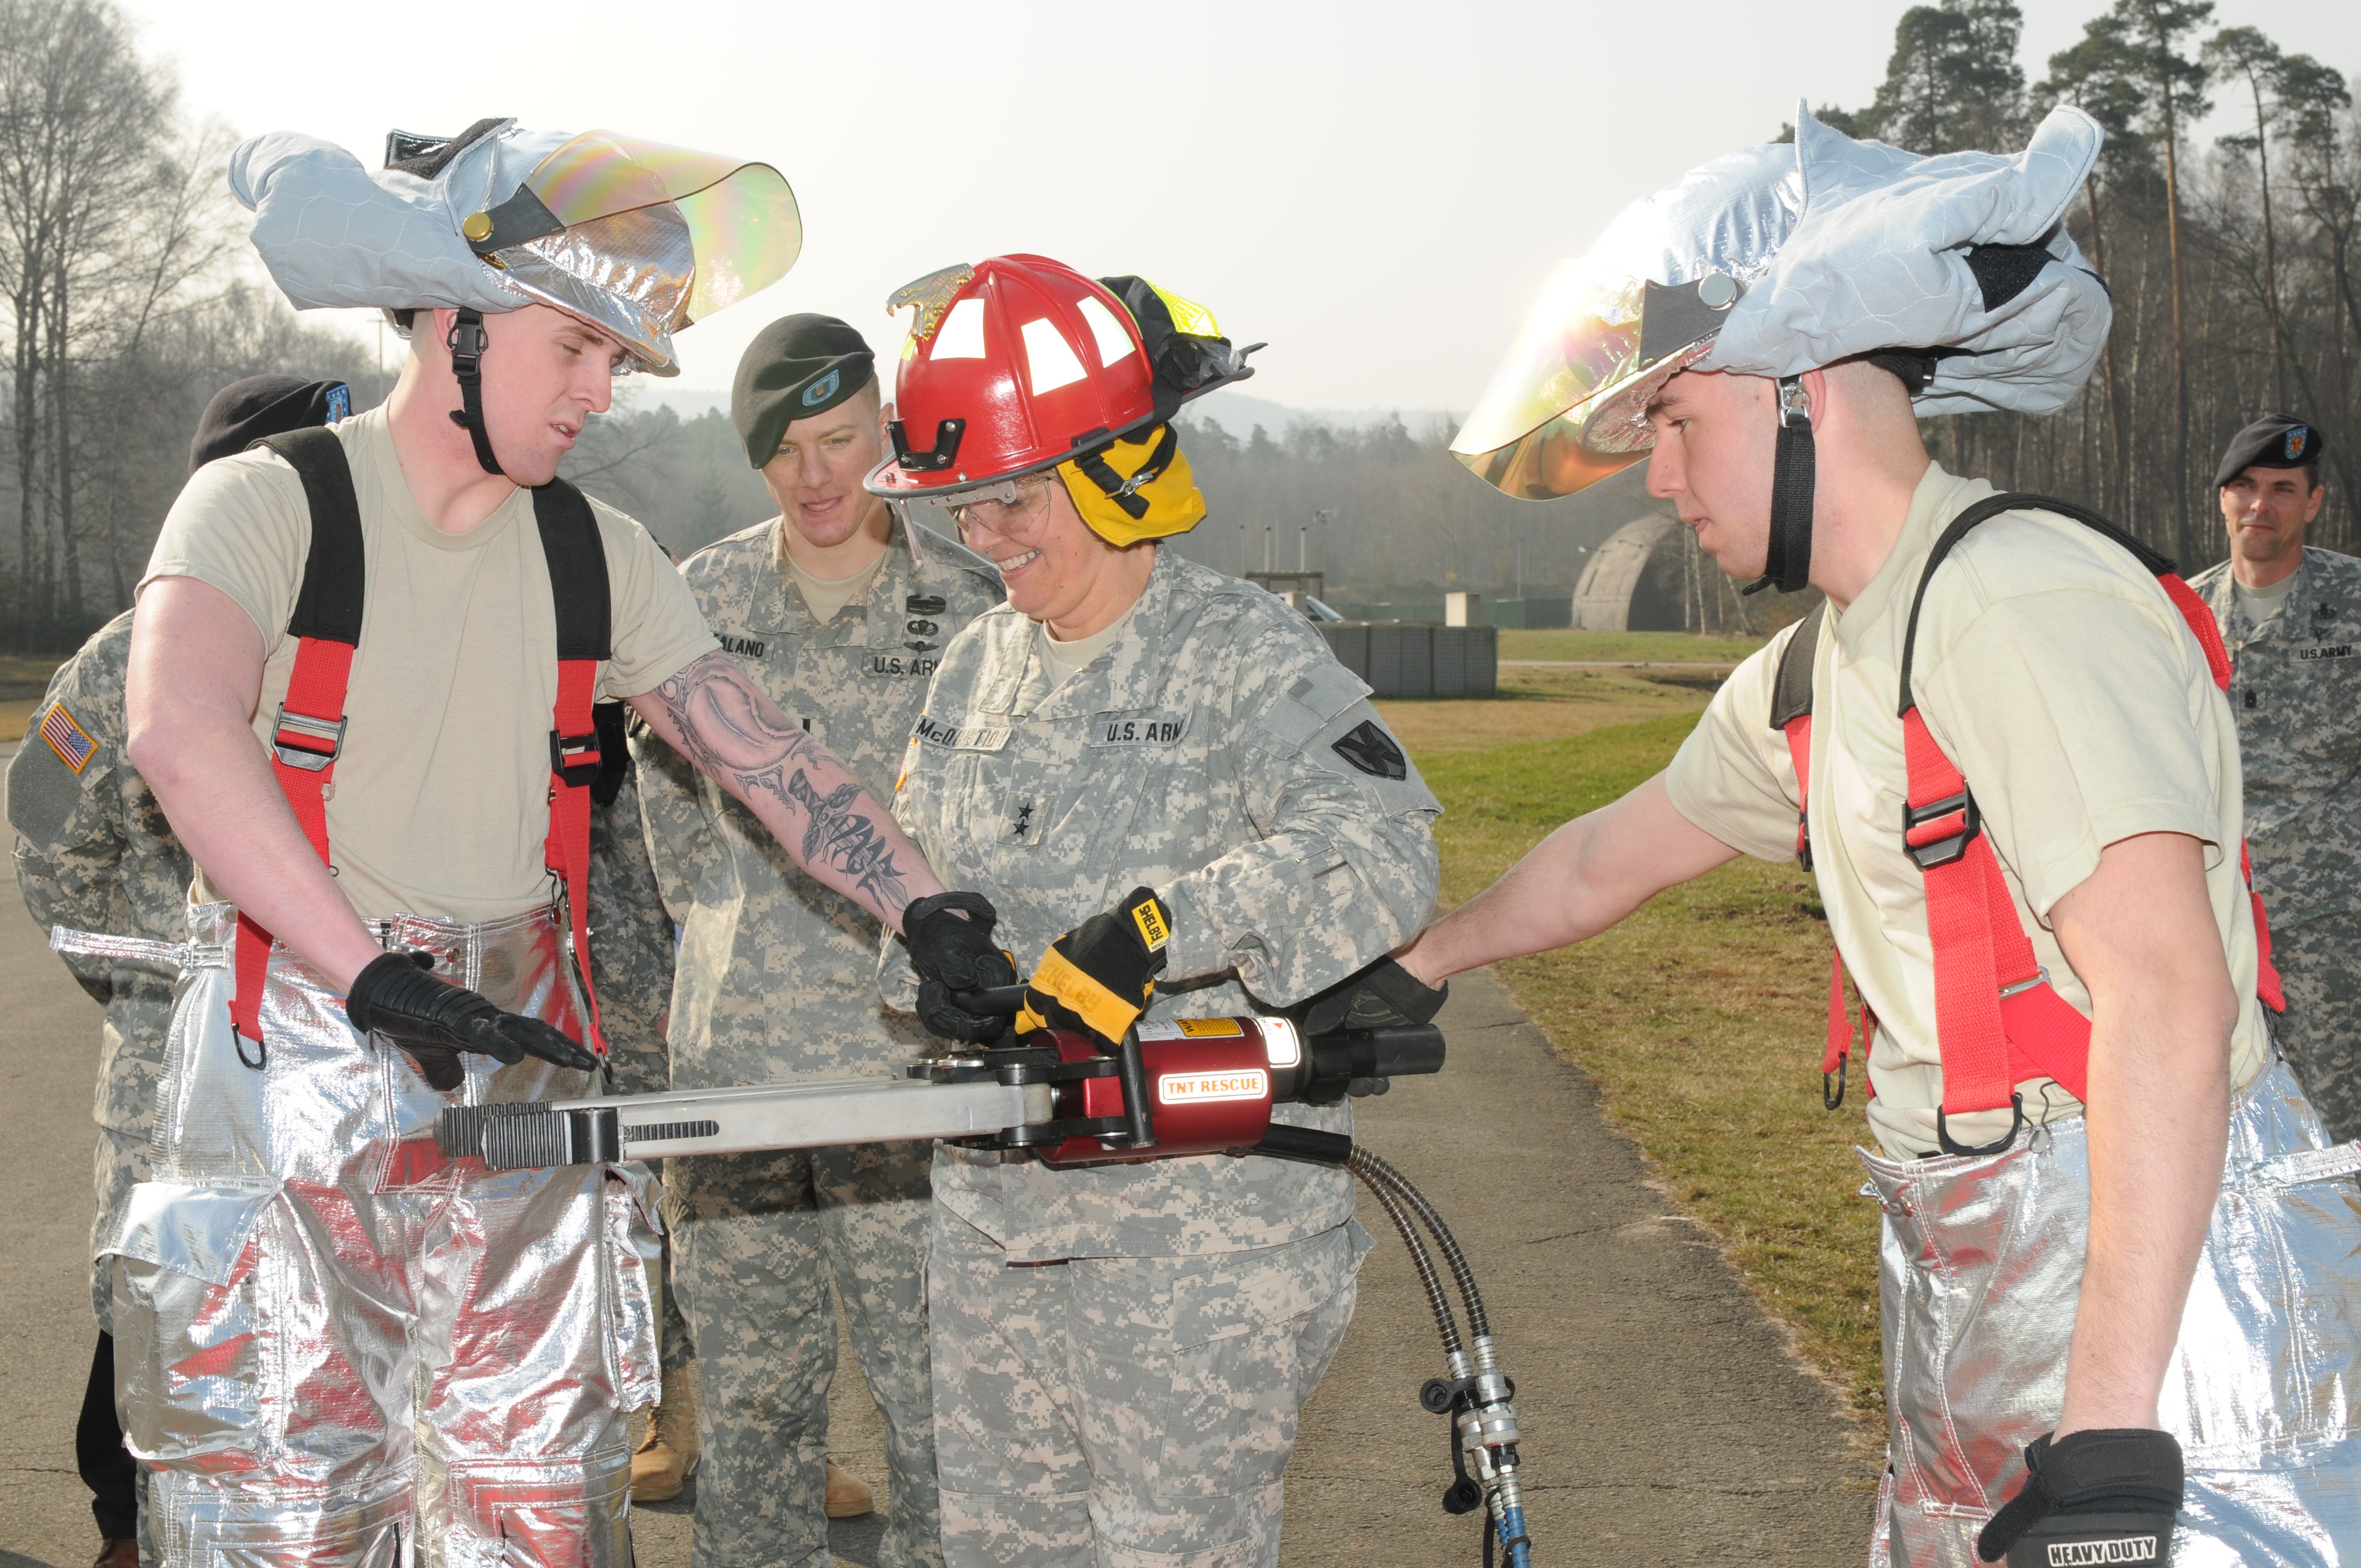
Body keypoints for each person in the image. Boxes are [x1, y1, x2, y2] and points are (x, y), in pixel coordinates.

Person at [1416, 107, 2361, 1564]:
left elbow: (2165, 996)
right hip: (1981, 1257)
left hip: (2161, 1297)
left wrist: (2110, 1443)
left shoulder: (2013, 600)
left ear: (1803, 391)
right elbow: (1611, 856)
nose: (1661, 483)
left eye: (1674, 425)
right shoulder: (1830, 662)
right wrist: (1420, 963)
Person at [105, 118, 993, 1567]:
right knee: (292, 1513)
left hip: (519, 1073)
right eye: (573, 348)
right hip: (301, 1068)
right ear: (452, 321)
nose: (601, 392)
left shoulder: (600, 553)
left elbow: (766, 757)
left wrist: (925, 908)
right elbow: (180, 733)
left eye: (619, 364)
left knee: (543, 1516)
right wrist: (372, 974)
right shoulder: (269, 503)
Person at [868, 254, 1444, 1568]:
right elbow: (934, 864)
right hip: (994, 1228)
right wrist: (924, 954)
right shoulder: (974, 661)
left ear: (1109, 472)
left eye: (1013, 500)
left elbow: (1381, 848)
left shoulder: (1240, 650)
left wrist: (1154, 928)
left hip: (1194, 1247)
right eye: (965, 508)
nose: (987, 536)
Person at [633, 311, 1002, 1566]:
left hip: (906, 1075)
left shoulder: (972, 601)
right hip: (735, 1077)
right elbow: (670, 827)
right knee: (750, 1405)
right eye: (785, 450)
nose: (817, 475)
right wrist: (728, 954)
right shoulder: (699, 600)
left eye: (840, 438)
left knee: (935, 1397)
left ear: (883, 432)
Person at [10, 374, 350, 1568]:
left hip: (335, 1070)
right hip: (173, 1070)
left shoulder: (360, 653)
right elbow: (48, 852)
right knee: (157, 1305)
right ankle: (127, 1531)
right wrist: (160, 989)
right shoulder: (121, 660)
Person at [2185, 418, 2360, 1140]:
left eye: (2283, 490)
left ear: (2313, 502)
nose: (2261, 505)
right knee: (2222, 1129)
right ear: (2223, 499)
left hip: (2336, 937)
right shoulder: (2180, 618)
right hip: (2217, 924)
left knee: (2342, 1135)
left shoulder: (2353, 604)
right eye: (2246, 487)